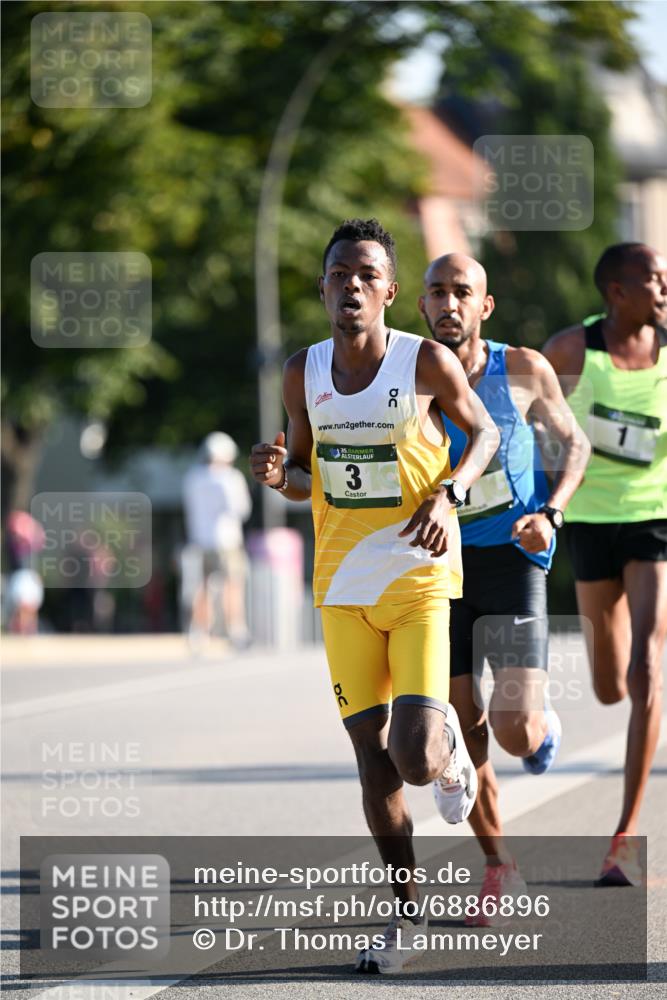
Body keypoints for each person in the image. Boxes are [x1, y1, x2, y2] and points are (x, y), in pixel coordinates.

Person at [251, 219, 499, 974]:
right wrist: (277, 476)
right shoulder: (303, 371)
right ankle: (404, 917)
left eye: (365, 275)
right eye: (337, 275)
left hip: (418, 578)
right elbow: (301, 474)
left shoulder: (422, 361)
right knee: (374, 766)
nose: (349, 286)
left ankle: (449, 756)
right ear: (323, 287)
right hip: (339, 589)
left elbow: (482, 432)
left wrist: (448, 493)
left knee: (416, 758)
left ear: (390, 290)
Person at [419, 253, 590, 922]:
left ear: (483, 306)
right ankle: (499, 866)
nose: (449, 302)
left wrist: (550, 512)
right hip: (440, 566)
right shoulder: (406, 377)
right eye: (437, 291)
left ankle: (539, 726)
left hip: (514, 559)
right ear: (422, 304)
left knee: (513, 732)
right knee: (463, 726)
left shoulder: (522, 368)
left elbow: (572, 445)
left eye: (462, 291)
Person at [544, 242, 667, 886]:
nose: (664, 291)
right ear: (616, 291)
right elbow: (526, 410)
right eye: (653, 281)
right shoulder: (571, 350)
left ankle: (623, 837)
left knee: (647, 667)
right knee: (609, 685)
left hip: (654, 519)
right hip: (590, 523)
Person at [183, 432, 252, 649]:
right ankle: (235, 630)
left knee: (201, 587)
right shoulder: (230, 478)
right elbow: (241, 509)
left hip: (199, 540)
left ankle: (199, 632)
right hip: (227, 540)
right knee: (233, 585)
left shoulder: (193, 477)